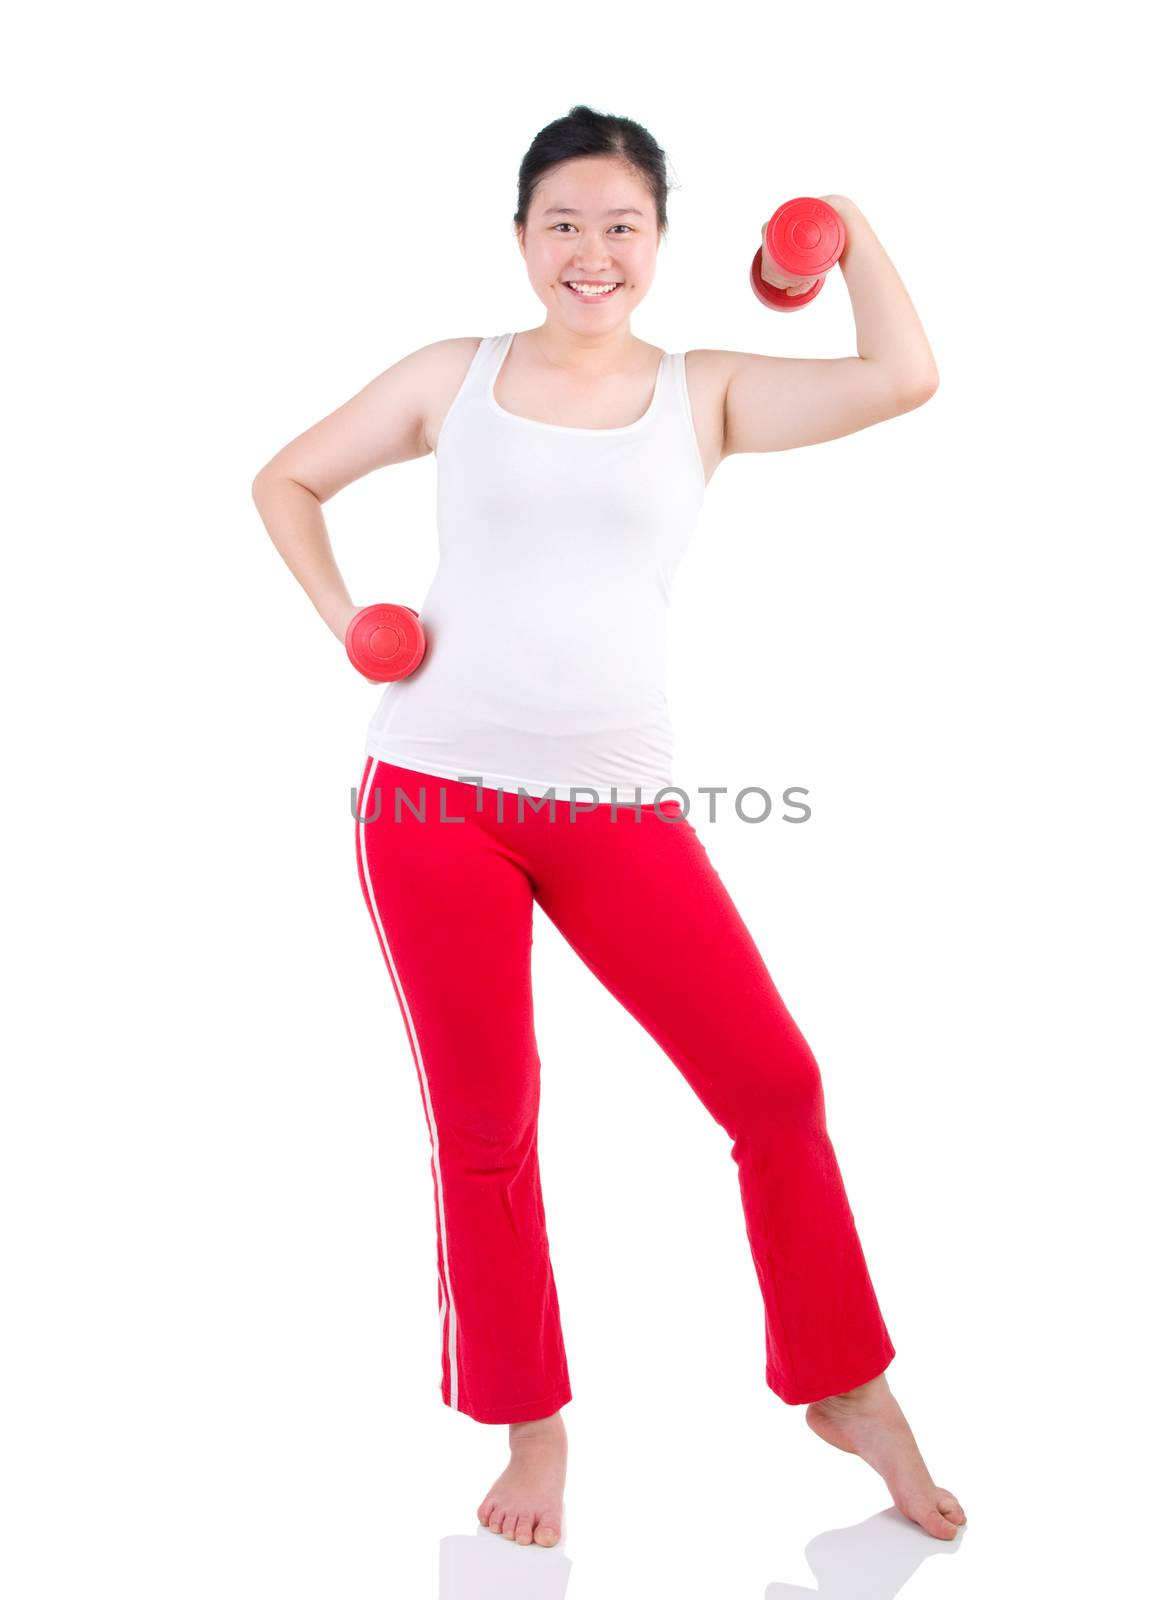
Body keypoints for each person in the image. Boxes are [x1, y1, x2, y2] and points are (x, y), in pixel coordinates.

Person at [252, 103, 965, 1552]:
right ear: (521, 237)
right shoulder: (451, 375)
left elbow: (902, 377)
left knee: (772, 1085)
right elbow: (286, 479)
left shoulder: (699, 392)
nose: (590, 252)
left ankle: (845, 1383)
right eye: (562, 223)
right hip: (434, 802)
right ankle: (532, 1426)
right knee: (489, 1125)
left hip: (621, 813)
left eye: (620, 226)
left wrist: (835, 220)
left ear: (658, 245)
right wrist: (349, 625)